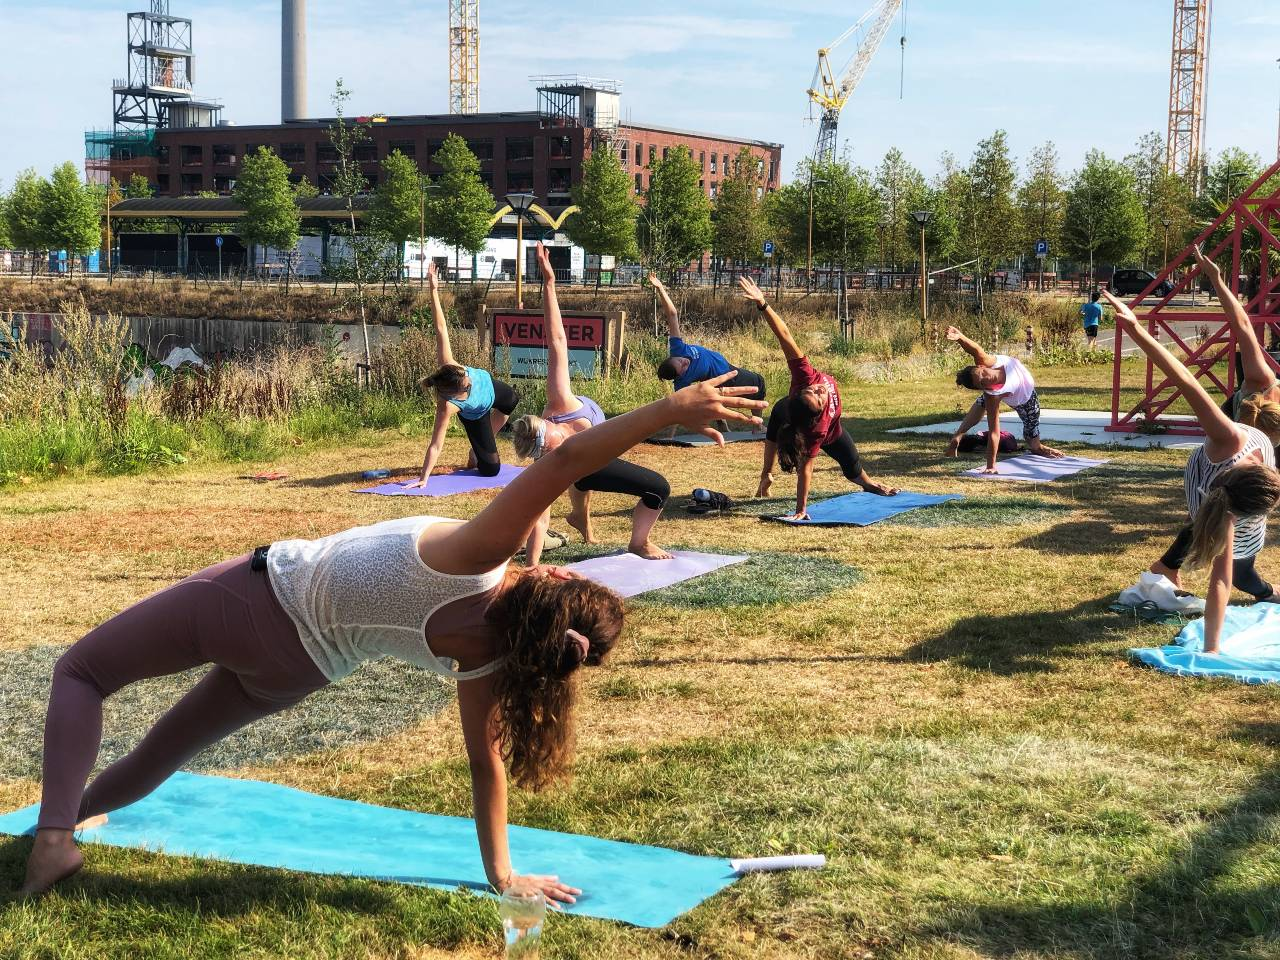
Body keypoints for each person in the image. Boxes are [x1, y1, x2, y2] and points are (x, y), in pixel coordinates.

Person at [20, 373, 766, 898]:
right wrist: (503, 876)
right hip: (299, 671)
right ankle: (71, 822)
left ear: (563, 581)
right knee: (164, 749)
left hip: (259, 599)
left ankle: (53, 838)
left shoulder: (482, 557)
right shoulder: (487, 658)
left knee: (82, 673)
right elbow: (487, 769)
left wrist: (667, 408)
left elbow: (569, 457)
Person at [1103, 288, 1280, 651]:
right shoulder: (1229, 440)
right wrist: (1212, 651)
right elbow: (1220, 583)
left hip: (1218, 492)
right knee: (1236, 565)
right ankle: (1262, 590)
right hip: (1207, 488)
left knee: (1238, 565)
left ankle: (1253, 587)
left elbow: (1187, 382)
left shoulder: (1232, 442)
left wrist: (1137, 329)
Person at [510, 244, 676, 563]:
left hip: (592, 455)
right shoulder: (549, 464)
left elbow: (557, 341)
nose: (552, 453)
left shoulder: (559, 402)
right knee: (659, 487)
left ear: (548, 425)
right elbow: (539, 516)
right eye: (545, 456)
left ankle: (581, 519)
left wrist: (548, 284)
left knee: (585, 486)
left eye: (550, 447)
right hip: (591, 466)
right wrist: (532, 566)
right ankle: (639, 543)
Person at [1142, 245, 1280, 594]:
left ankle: (1170, 566)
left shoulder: (1258, 389)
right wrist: (1216, 280)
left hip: (1234, 454)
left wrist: (1217, 278)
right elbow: (1243, 326)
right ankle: (1176, 567)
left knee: (1219, 511)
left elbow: (1243, 325)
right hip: (1226, 458)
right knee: (1221, 511)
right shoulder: (1259, 384)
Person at [736, 276, 898, 521]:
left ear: (802, 388)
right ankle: (766, 474)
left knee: (853, 469)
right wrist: (801, 509)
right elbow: (806, 469)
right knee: (777, 429)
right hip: (796, 416)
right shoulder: (816, 429)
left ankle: (869, 484)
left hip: (815, 421)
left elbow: (785, 336)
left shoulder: (805, 376)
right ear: (819, 412)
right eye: (820, 398)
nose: (821, 391)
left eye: (815, 391)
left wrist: (763, 304)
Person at [403, 262, 521, 489]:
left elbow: (440, 327)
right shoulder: (447, 407)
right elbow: (436, 445)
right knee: (490, 470)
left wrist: (434, 289)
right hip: (476, 414)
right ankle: (476, 450)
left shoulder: (448, 364)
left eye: (466, 375)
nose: (470, 380)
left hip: (492, 389)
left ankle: (487, 440)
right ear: (455, 395)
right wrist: (423, 478)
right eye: (467, 385)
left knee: (512, 399)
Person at [944, 327, 1065, 473]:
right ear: (982, 387)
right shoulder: (992, 394)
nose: (986, 378)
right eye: (982, 383)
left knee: (1032, 441)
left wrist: (960, 337)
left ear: (981, 366)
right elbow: (995, 432)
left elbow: (974, 349)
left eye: (983, 373)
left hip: (1024, 395)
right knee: (987, 402)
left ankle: (958, 435)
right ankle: (1037, 448)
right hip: (1025, 401)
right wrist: (991, 466)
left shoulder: (987, 360)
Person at [651, 273, 766, 402]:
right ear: (679, 376)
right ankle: (752, 421)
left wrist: (660, 288)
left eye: (679, 361)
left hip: (729, 368)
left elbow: (672, 314)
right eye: (682, 368)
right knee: (757, 387)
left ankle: (751, 422)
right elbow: (680, 403)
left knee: (757, 385)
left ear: (673, 357)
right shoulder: (681, 383)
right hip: (724, 379)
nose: (684, 362)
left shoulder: (677, 348)